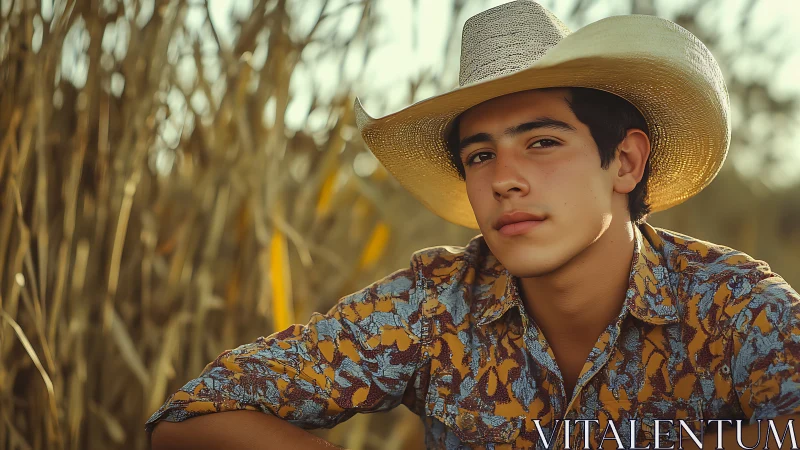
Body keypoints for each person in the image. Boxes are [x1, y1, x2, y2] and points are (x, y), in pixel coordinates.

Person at [147, 1, 800, 449]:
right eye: (479, 155)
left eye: (541, 143)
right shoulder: (436, 304)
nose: (503, 178)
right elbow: (189, 420)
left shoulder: (731, 303)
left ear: (624, 161)